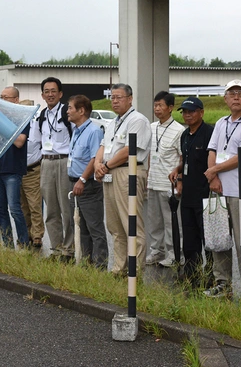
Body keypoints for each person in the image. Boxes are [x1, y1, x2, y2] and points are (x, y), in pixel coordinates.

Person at [203, 79, 241, 297]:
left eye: (240, 93)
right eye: (231, 93)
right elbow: (212, 150)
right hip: (218, 189)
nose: (236, 97)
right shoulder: (221, 122)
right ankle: (222, 284)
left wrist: (214, 170)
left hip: (240, 191)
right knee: (219, 238)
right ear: (225, 98)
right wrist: (213, 178)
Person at [94, 83, 151, 275]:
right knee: (115, 226)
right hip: (110, 173)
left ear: (130, 98)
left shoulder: (138, 120)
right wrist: (98, 165)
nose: (115, 101)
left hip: (128, 172)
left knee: (131, 225)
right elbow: (103, 146)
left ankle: (136, 273)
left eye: (119, 97)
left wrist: (106, 166)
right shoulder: (114, 122)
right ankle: (119, 268)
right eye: (112, 97)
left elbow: (129, 150)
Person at [169, 97, 214, 288]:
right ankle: (191, 273)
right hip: (188, 193)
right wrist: (178, 171)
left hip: (205, 193)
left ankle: (211, 275)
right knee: (189, 238)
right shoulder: (185, 135)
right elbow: (185, 159)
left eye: (192, 111)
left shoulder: (209, 133)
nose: (188, 115)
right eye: (185, 112)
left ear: (201, 112)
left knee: (208, 238)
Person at [67, 94, 108, 268]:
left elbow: (94, 159)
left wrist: (82, 179)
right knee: (81, 227)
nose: (67, 111)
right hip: (75, 184)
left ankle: (99, 267)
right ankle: (86, 264)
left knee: (95, 228)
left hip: (87, 185)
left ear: (81, 110)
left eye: (70, 108)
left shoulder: (94, 131)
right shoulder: (76, 130)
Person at [146, 91, 185, 267]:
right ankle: (156, 250)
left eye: (161, 105)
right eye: (155, 105)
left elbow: (183, 157)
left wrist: (179, 180)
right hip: (152, 181)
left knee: (171, 222)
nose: (157, 109)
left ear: (170, 108)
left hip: (168, 184)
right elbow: (149, 154)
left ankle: (174, 253)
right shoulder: (151, 127)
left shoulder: (179, 130)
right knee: (154, 221)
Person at [37, 77, 75, 258]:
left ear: (60, 94)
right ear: (42, 95)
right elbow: (37, 141)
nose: (50, 94)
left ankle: (68, 249)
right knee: (51, 209)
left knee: (66, 208)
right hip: (46, 162)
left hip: (63, 161)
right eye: (47, 91)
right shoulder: (41, 115)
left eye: (53, 91)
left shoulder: (68, 113)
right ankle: (56, 247)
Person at [0, 87, 30, 248]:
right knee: (0, 208)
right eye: (0, 96)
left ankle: (23, 242)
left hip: (13, 169)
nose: (1, 99)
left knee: (15, 208)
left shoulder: (21, 117)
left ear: (15, 100)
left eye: (5, 97)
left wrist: (3, 126)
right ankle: (7, 244)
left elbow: (20, 141)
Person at [19, 99, 45, 248]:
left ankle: (37, 235)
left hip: (33, 169)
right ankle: (27, 232)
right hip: (19, 171)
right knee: (23, 205)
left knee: (35, 204)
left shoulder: (37, 126)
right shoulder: (17, 126)